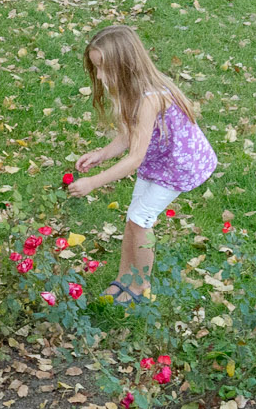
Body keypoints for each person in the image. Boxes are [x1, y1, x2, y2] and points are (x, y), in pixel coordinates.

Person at [66, 25, 218, 302]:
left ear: (125, 64)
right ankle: (124, 277)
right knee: (133, 219)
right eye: (96, 68)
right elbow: (127, 136)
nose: (99, 76)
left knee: (141, 220)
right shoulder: (128, 89)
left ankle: (140, 287)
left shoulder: (150, 98)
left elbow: (134, 158)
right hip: (159, 160)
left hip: (178, 166)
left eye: (103, 68)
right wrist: (101, 154)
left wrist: (93, 183)